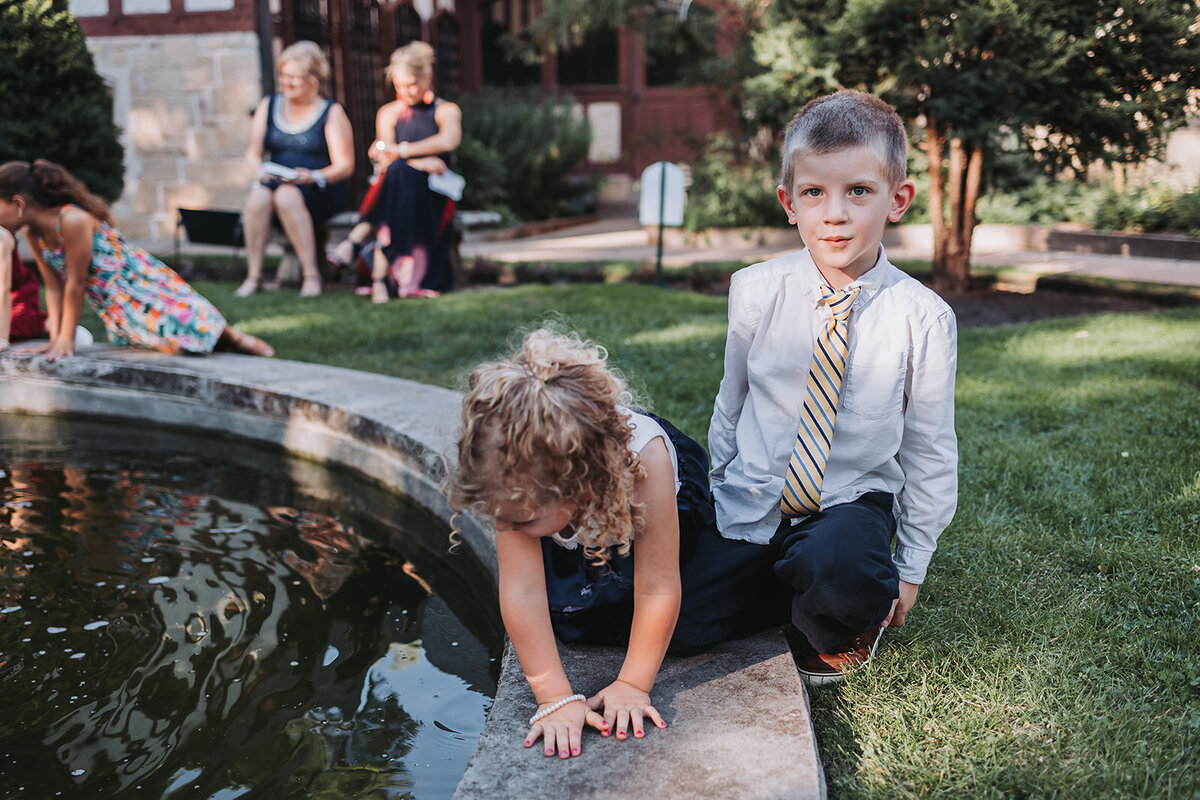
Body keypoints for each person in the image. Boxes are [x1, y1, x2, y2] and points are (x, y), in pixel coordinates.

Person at [707, 90, 958, 685]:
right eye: (814, 192)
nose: (835, 214)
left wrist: (911, 567)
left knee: (844, 570)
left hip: (848, 500)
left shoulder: (923, 317)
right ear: (788, 202)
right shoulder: (754, 289)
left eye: (859, 192)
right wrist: (719, 495)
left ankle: (838, 610)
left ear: (897, 200)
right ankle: (778, 585)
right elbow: (732, 399)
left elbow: (930, 447)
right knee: (682, 618)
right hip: (755, 495)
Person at [446, 328, 784, 759]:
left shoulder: (644, 458)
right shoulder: (511, 476)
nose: (506, 525)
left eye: (521, 519)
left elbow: (658, 584)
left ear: (578, 487)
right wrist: (554, 697)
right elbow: (521, 589)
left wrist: (632, 684)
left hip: (659, 514)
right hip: (573, 513)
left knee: (687, 626)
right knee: (569, 620)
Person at [0, 159, 274, 360]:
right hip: (114, 301)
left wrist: (67, 340)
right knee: (173, 346)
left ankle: (236, 338)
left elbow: (75, 282)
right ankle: (220, 343)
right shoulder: (35, 235)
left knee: (188, 318)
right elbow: (55, 288)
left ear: (19, 204)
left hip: (139, 282)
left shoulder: (72, 220)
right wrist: (54, 340)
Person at [238, 40, 355, 298]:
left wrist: (313, 176)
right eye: (284, 75)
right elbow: (253, 152)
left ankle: (312, 276)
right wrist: (259, 171)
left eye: (295, 77)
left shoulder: (331, 112)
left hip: (320, 189)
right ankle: (253, 276)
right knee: (259, 196)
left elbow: (345, 165)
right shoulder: (269, 106)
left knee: (286, 194)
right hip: (276, 182)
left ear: (313, 79)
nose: (287, 82)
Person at [349, 42, 461, 303]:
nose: (405, 91)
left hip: (433, 192)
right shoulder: (388, 113)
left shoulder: (446, 110)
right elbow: (385, 156)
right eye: (399, 85)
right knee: (399, 176)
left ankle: (371, 266)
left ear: (427, 78)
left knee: (399, 176)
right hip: (397, 189)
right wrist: (416, 161)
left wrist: (401, 152)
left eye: (411, 84)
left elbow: (447, 142)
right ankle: (393, 280)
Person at [0, 225, 48, 352]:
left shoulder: (2, 236)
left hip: (16, 296)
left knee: (19, 321)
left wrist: (2, 339)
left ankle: (56, 328)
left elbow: (3, 289)